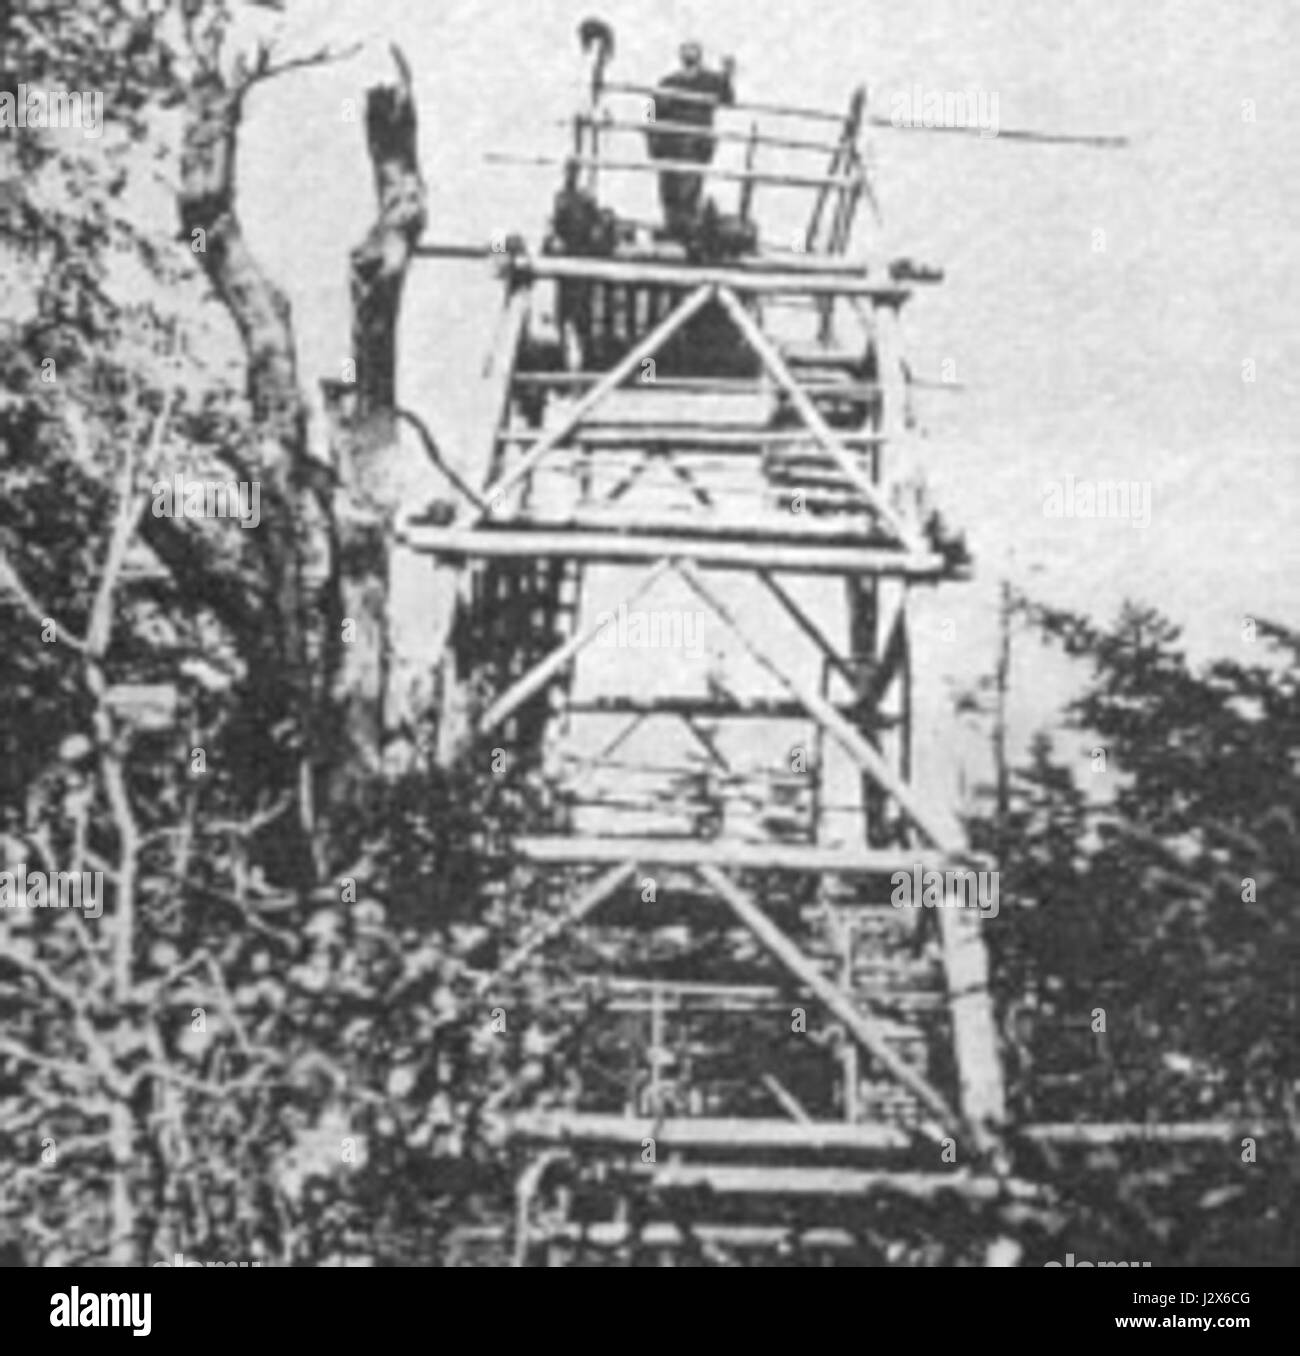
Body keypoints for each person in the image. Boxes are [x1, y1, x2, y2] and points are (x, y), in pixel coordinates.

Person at [646, 41, 735, 239]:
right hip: (670, 143)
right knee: (669, 187)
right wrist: (651, 135)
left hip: (696, 143)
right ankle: (673, 226)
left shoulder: (710, 81)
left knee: (691, 186)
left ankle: (686, 227)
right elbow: (651, 107)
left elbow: (727, 98)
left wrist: (728, 75)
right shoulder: (668, 82)